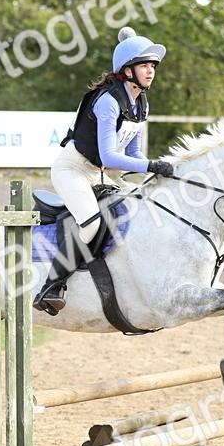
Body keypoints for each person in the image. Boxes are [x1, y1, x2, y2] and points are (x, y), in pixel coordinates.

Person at [32, 26, 175, 314]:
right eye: (144, 65)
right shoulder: (109, 101)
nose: (151, 71)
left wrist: (154, 173)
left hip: (98, 173)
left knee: (138, 208)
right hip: (72, 169)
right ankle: (51, 286)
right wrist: (150, 165)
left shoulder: (140, 103)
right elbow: (110, 155)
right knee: (90, 223)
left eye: (153, 66)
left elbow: (133, 154)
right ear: (127, 70)